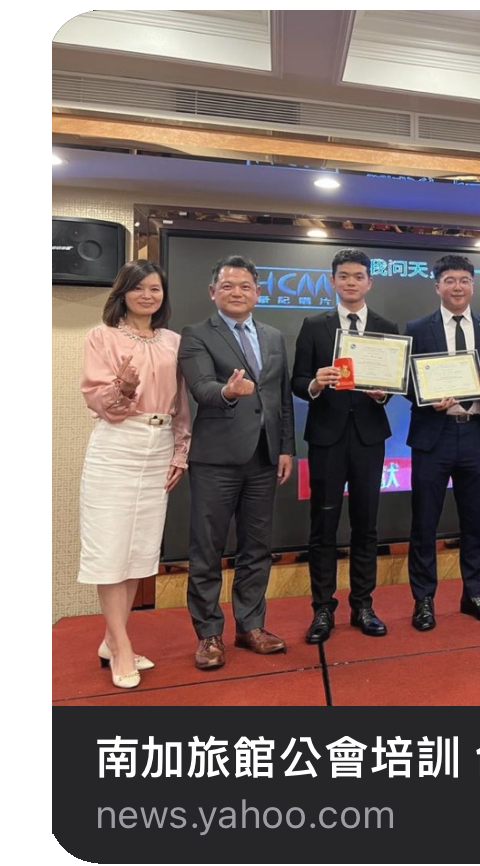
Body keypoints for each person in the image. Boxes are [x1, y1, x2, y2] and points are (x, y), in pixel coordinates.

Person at [78, 260, 191, 689]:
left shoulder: (174, 341)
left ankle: (112, 640)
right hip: (118, 444)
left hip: (159, 445)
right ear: (122, 293)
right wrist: (122, 387)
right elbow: (99, 401)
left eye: (155, 288)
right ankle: (121, 645)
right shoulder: (102, 336)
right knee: (110, 547)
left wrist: (180, 452)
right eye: (138, 288)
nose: (147, 295)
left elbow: (181, 405)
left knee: (138, 550)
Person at [178, 255, 295, 669]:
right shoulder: (196, 334)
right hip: (216, 460)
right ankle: (209, 634)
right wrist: (228, 392)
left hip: (264, 456)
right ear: (213, 292)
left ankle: (251, 626)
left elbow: (281, 398)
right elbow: (201, 388)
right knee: (207, 549)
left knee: (257, 548)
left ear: (258, 293)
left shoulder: (273, 336)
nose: (237, 292)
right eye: (227, 286)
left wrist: (286, 448)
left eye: (245, 286)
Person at [291, 248, 395, 642]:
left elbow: (394, 382)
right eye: (344, 276)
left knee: (366, 525)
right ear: (332, 281)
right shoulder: (314, 325)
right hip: (326, 437)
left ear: (370, 282)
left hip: (369, 437)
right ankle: (322, 609)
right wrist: (315, 383)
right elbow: (297, 381)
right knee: (324, 526)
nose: (351, 282)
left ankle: (363, 605)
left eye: (358, 276)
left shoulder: (385, 326)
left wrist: (382, 394)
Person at [404, 254, 480, 630]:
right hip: (434, 435)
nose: (457, 287)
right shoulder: (417, 328)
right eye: (449, 280)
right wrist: (426, 397)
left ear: (473, 286)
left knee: (475, 521)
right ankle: (423, 600)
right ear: (437, 286)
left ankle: (474, 594)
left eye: (464, 280)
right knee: (424, 522)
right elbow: (405, 382)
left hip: (476, 432)